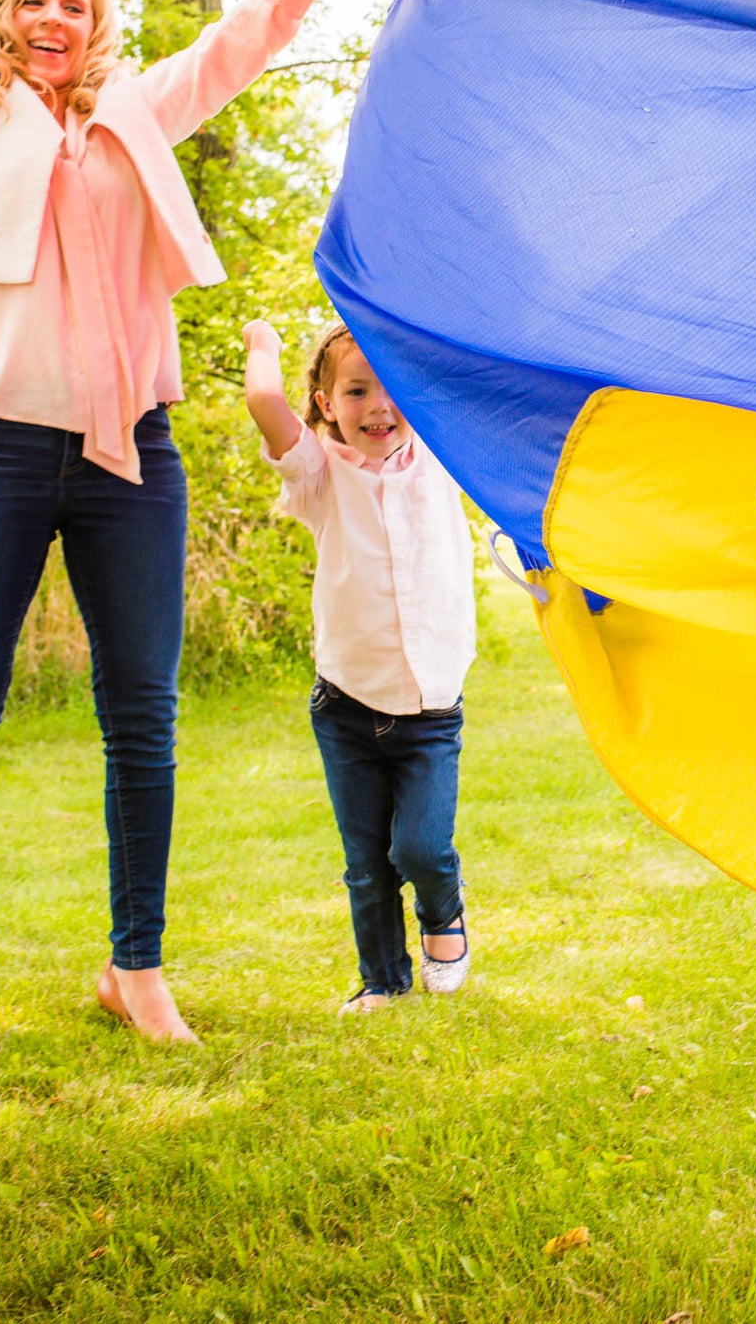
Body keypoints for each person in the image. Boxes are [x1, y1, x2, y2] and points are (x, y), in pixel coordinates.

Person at [0, 0, 408, 1044]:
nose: (55, 14)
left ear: (100, 28)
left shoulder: (133, 116)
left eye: (79, 1)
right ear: (2, 18)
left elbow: (249, 37)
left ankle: (138, 964)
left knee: (144, 716)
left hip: (132, 454)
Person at [242, 318, 476, 1012]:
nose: (379, 405)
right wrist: (262, 343)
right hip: (346, 706)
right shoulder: (318, 475)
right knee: (367, 864)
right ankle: (382, 980)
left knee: (421, 851)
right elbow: (263, 404)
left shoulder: (438, 454)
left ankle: (445, 917)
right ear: (324, 403)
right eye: (356, 390)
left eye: (391, 386)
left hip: (430, 705)